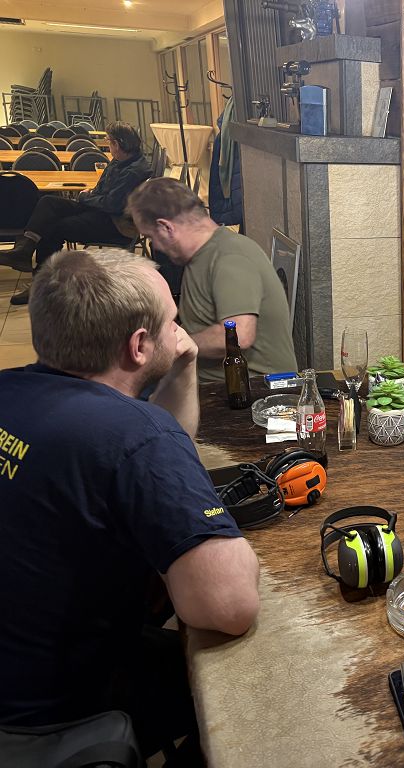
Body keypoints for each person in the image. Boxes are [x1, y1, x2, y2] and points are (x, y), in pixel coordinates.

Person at [0, 248, 260, 760]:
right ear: (139, 345)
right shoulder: (133, 435)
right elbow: (227, 606)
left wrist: (183, 367)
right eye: (173, 320)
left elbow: (159, 450)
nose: (180, 331)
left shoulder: (13, 389)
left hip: (17, 658)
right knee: (241, 696)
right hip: (50, 711)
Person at [127, 177, 297, 385]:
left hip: (251, 388)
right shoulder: (199, 256)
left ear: (166, 228)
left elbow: (239, 334)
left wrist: (168, 346)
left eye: (151, 237)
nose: (155, 247)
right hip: (213, 382)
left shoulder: (230, 256)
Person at [0, 122, 150, 305]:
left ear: (117, 144)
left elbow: (112, 205)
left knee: (53, 227)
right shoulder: (122, 160)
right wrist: (91, 195)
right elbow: (105, 193)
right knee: (48, 202)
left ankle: (41, 285)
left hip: (116, 223)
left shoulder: (134, 171)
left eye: (108, 141)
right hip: (101, 210)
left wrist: (85, 197)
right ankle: (24, 249)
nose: (108, 146)